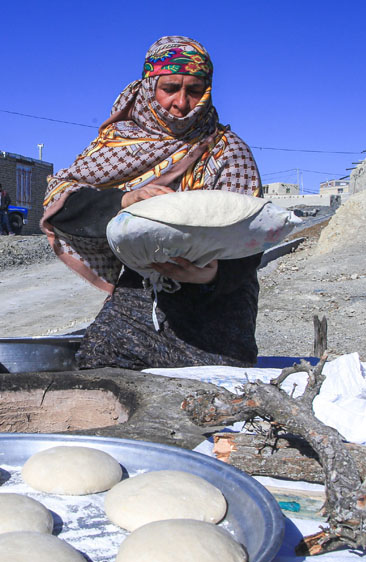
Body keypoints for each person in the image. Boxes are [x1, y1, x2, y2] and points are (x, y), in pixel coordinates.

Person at [41, 36, 262, 370]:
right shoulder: (117, 145)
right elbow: (63, 201)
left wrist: (211, 274)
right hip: (139, 298)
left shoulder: (228, 152)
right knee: (101, 371)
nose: (182, 103)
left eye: (194, 90)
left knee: (215, 388)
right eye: (170, 87)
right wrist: (125, 200)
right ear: (148, 87)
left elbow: (251, 235)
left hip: (216, 304)